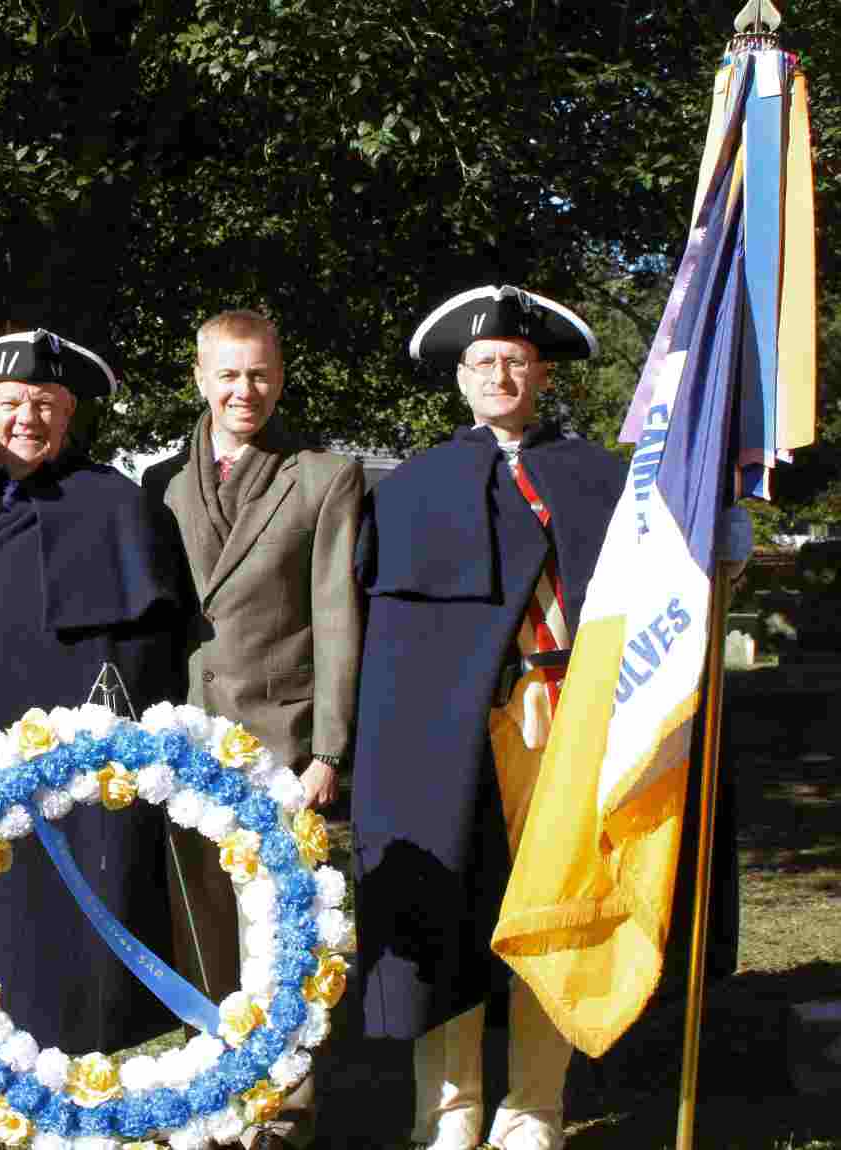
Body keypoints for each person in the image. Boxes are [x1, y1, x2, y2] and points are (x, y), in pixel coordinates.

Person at [352, 285, 627, 1150]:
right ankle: (452, 1105)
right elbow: (382, 630)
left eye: (516, 359)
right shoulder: (410, 488)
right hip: (448, 732)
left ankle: (536, 1104)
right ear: (460, 379)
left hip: (570, 719)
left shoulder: (606, 480)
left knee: (555, 902)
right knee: (447, 901)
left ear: (543, 372)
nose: (500, 373)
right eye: (484, 362)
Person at [0, 327, 191, 1150]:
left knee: (64, 927)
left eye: (46, 404)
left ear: (69, 414)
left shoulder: (117, 501)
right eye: (12, 404)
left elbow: (154, 645)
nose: (29, 417)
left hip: (73, 762)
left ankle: (68, 1094)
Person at [143, 309, 364, 1150]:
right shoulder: (160, 479)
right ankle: (217, 1089)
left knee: (281, 931)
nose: (246, 390)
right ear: (199, 377)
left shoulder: (322, 476)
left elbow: (338, 619)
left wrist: (329, 750)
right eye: (229, 375)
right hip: (185, 746)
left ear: (281, 375)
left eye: (261, 374)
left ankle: (286, 1108)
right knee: (203, 927)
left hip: (284, 740)